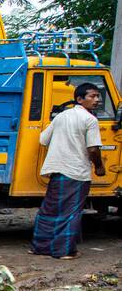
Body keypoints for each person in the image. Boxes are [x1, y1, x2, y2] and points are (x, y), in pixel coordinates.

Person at [31, 82, 106, 260]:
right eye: (92, 96)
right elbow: (93, 149)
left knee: (50, 210)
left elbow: (43, 139)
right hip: (77, 172)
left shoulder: (61, 116)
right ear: (79, 99)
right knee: (70, 212)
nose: (97, 100)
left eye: (97, 96)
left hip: (57, 169)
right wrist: (100, 167)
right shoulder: (91, 120)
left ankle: (40, 247)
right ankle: (64, 251)